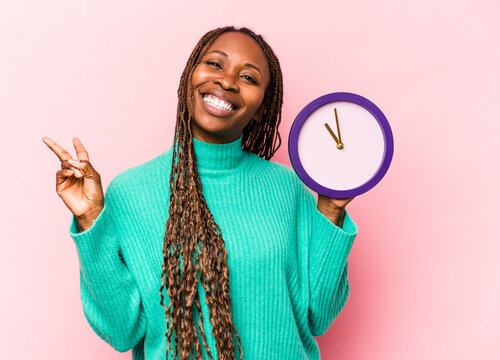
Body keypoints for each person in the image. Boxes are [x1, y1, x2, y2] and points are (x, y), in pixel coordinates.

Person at [42, 26, 357, 360]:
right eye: (215, 65)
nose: (227, 82)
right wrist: (90, 218)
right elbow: (121, 331)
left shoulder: (286, 188)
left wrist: (333, 210)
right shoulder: (130, 193)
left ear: (263, 106)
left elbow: (318, 317)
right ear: (189, 76)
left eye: (248, 78)